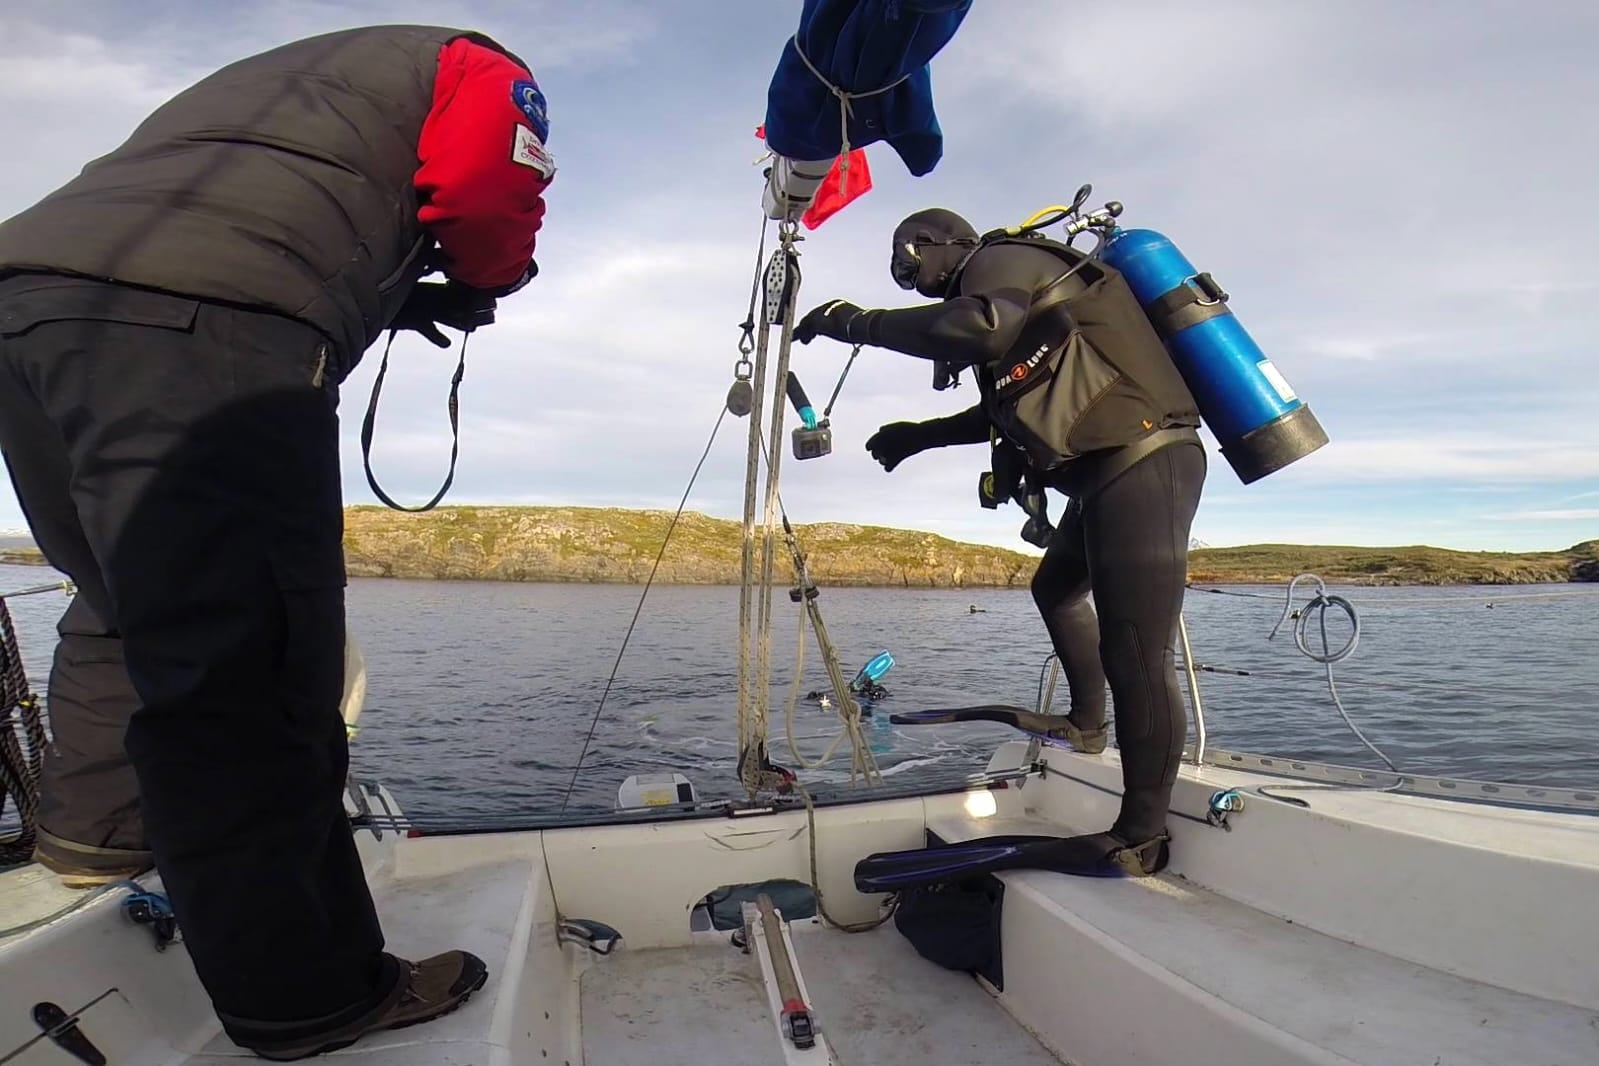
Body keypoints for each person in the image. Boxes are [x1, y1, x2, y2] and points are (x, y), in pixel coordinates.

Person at [0, 24, 553, 1060]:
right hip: (205, 321)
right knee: (250, 668)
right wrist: (489, 273)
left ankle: (88, 836)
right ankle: (312, 996)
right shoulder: (481, 63)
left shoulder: (279, 87)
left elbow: (245, 208)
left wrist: (385, 293)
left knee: (127, 595)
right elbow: (486, 187)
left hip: (25, 309)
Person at [795, 207, 1205, 877]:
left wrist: (853, 321)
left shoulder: (996, 260)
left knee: (1135, 649)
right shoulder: (1010, 292)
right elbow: (999, 406)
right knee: (1056, 587)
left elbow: (977, 329)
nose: (912, 281)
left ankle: (1139, 835)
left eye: (910, 264)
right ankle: (1086, 722)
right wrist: (916, 435)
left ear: (933, 243)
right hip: (1107, 469)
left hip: (1144, 458)